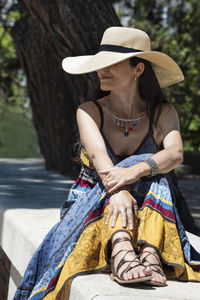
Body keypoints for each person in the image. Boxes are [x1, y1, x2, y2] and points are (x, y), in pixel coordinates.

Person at [14, 26, 200, 300]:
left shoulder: (162, 113)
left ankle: (148, 251)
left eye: (111, 64)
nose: (102, 70)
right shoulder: (89, 111)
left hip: (145, 202)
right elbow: (103, 163)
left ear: (138, 70)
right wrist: (119, 190)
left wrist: (133, 171)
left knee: (157, 173)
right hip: (95, 197)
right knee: (146, 174)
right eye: (100, 64)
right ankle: (125, 249)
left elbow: (176, 154)